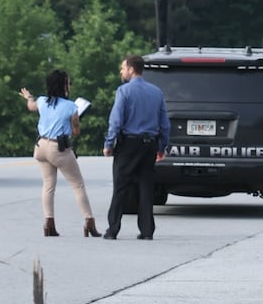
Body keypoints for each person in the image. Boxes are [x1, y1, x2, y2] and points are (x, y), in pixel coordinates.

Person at [20, 70, 97, 238]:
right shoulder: (71, 107)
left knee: (48, 185)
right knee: (77, 185)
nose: (69, 86)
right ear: (64, 86)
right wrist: (75, 122)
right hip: (58, 147)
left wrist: (29, 97)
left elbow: (30, 106)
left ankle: (49, 223)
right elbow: (76, 131)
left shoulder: (41, 101)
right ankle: (89, 221)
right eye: (68, 83)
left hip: (40, 146)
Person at [101, 54, 171, 240]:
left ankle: (113, 230)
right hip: (149, 144)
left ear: (131, 69)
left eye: (123, 68)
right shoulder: (156, 92)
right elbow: (165, 124)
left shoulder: (123, 91)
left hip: (128, 144)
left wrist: (109, 144)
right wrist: (162, 146)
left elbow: (116, 121)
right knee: (146, 187)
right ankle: (147, 230)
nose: (121, 71)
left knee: (121, 187)